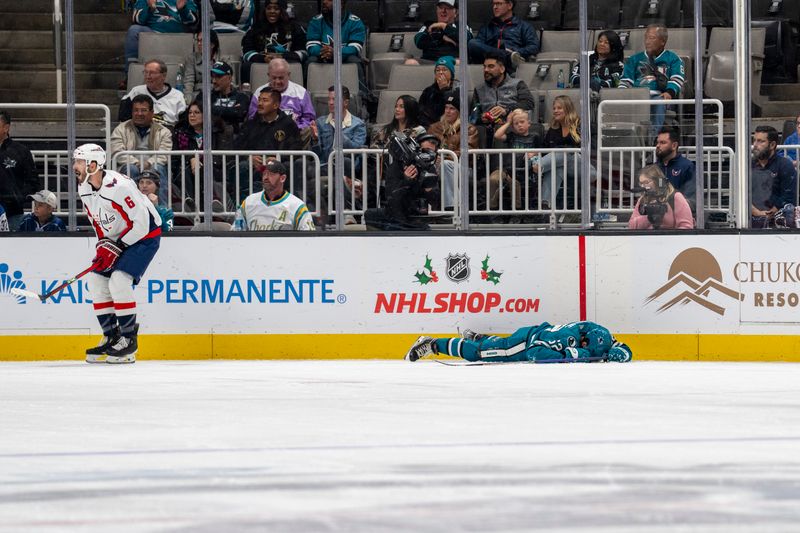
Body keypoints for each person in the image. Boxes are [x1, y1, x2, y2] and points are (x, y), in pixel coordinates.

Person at [73, 143, 163, 364]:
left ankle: (129, 341)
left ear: (93, 165)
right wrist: (103, 245)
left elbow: (141, 225)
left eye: (79, 162)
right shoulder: (84, 187)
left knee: (119, 281)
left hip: (145, 236)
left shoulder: (119, 187)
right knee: (96, 280)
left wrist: (118, 246)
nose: (75, 166)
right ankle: (111, 337)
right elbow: (96, 221)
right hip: (117, 239)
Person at [405, 321, 633, 363]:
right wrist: (575, 356)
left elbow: (617, 346)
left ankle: (480, 338)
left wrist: (623, 352)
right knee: (479, 353)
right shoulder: (568, 339)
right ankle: (433, 344)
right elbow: (536, 353)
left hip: (530, 333)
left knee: (495, 345)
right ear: (582, 342)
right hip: (524, 345)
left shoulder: (593, 331)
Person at [310, 85, 367, 216]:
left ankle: (347, 212)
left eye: (334, 99)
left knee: (344, 160)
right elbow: (318, 155)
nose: (330, 102)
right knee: (300, 165)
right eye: (329, 99)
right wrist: (314, 140)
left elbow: (357, 150)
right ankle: (306, 212)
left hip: (348, 166)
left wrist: (339, 133)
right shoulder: (321, 122)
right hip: (325, 165)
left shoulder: (358, 124)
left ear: (346, 102)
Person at [365, 134, 441, 230]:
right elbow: (392, 198)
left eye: (431, 153)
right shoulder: (396, 167)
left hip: (416, 218)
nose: (427, 156)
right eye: (424, 151)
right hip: (395, 217)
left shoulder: (430, 169)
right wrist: (407, 180)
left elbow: (435, 201)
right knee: (371, 215)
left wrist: (429, 190)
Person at [619, 25, 685, 137]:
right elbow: (625, 82)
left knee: (659, 102)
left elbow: (677, 79)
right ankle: (630, 137)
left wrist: (669, 92)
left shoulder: (673, 59)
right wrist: (621, 95)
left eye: (652, 38)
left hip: (659, 96)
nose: (647, 41)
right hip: (636, 96)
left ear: (662, 42)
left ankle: (653, 138)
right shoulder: (634, 59)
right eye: (646, 38)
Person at [110, 94, 173, 205]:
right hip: (130, 166)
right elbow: (118, 152)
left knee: (159, 168)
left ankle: (163, 212)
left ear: (152, 112)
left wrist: (149, 163)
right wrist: (137, 163)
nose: (139, 114)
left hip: (153, 166)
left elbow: (164, 154)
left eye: (143, 110)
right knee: (131, 169)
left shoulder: (164, 131)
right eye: (136, 110)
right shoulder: (120, 129)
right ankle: (132, 210)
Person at [234, 87, 302, 189]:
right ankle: (240, 202)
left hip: (279, 167)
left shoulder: (288, 124)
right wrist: (249, 158)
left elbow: (296, 149)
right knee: (242, 166)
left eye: (265, 100)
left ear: (276, 105)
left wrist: (278, 158)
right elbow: (237, 147)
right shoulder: (250, 124)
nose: (260, 103)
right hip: (253, 168)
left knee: (290, 166)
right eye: (259, 99)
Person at [532, 95, 592, 208]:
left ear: (567, 108)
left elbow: (584, 147)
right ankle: (545, 205)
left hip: (583, 167)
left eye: (559, 108)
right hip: (562, 165)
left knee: (564, 152)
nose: (555, 111)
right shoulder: (553, 128)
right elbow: (545, 149)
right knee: (556, 168)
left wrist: (543, 161)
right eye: (554, 108)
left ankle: (540, 165)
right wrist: (535, 152)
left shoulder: (579, 124)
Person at [124, 0, 199, 85]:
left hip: (177, 38)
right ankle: (129, 75)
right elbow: (137, 20)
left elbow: (194, 22)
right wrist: (150, 7)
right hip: (153, 36)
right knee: (134, 30)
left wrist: (183, 9)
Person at [246, 58, 316, 147]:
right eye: (274, 78)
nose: (277, 82)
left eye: (281, 78)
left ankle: (298, 159)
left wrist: (295, 127)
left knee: (308, 130)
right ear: (268, 75)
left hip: (295, 133)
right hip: (266, 132)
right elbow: (252, 118)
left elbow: (309, 118)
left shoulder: (301, 92)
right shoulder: (259, 93)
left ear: (288, 75)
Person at [231, 159, 316, 230]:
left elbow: (309, 238)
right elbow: (236, 232)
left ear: (282, 178)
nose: (266, 177)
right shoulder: (249, 202)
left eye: (271, 174)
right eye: (264, 174)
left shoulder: (297, 206)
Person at [428, 92, 478, 210]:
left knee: (446, 165)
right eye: (446, 108)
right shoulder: (434, 128)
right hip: (436, 165)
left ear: (459, 112)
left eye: (452, 108)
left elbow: (468, 153)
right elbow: (426, 148)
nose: (448, 111)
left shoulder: (469, 129)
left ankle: (452, 207)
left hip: (462, 168)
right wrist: (434, 158)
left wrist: (444, 157)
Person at [471, 52, 535, 143]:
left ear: (502, 69)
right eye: (484, 67)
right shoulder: (479, 89)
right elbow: (473, 116)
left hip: (511, 129)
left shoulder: (517, 84)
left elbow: (529, 103)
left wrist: (506, 110)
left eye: (491, 66)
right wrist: (481, 118)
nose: (486, 70)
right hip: (487, 131)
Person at [305, 0, 366, 92]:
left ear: (340, 4)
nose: (324, 1)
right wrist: (325, 52)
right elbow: (312, 46)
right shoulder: (316, 21)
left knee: (354, 61)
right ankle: (305, 96)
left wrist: (335, 53)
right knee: (311, 61)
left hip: (344, 58)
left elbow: (354, 48)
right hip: (322, 57)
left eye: (329, 0)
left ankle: (363, 98)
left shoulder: (355, 22)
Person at [241, 0, 307, 84]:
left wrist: (282, 56)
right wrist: (263, 58)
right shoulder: (256, 28)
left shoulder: (294, 28)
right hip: (262, 62)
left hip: (286, 62)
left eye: (276, 9)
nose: (272, 11)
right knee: (246, 66)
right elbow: (247, 52)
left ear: (282, 10)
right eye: (269, 8)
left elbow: (303, 53)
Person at [491, 108, 541, 210]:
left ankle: (516, 211)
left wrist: (534, 153)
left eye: (522, 122)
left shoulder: (535, 136)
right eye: (516, 123)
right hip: (507, 169)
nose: (519, 125)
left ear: (529, 123)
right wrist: (508, 123)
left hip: (524, 170)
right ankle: (492, 209)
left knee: (514, 182)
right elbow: (497, 135)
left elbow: (544, 151)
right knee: (493, 179)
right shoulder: (511, 136)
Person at [750, 125, 798, 229]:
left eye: (760, 141)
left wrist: (769, 213)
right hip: (750, 217)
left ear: (772, 145)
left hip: (778, 219)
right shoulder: (747, 165)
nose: (755, 145)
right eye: (754, 140)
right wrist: (755, 212)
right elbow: (740, 193)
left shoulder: (785, 165)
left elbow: (788, 196)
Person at [467, 0, 539, 67]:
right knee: (472, 43)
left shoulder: (524, 26)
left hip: (511, 64)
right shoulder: (487, 27)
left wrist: (516, 51)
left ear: (510, 5)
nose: (495, 7)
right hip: (490, 63)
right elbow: (477, 46)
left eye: (498, 4)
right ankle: (507, 55)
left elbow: (533, 47)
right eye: (494, 4)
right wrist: (503, 53)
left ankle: (508, 56)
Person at [119, 60, 188, 128]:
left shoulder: (177, 95)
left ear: (163, 76)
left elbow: (183, 124)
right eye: (146, 72)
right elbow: (123, 118)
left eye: (152, 73)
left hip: (168, 132)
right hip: (140, 131)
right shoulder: (136, 92)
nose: (148, 76)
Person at [0, 111, 38, 230]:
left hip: (13, 214)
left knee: (11, 248)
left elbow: (34, 183)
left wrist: (16, 197)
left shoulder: (21, 151)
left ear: (6, 127)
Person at [628, 164, 693, 230]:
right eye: (641, 183)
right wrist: (648, 218)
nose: (643, 186)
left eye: (646, 182)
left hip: (670, 238)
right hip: (648, 238)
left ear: (657, 181)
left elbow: (687, 227)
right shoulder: (643, 199)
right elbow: (631, 226)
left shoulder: (675, 197)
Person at [654, 126, 696, 214]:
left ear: (674, 145)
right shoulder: (654, 168)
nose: (658, 146)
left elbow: (692, 200)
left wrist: (671, 206)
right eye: (657, 142)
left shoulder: (687, 167)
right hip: (656, 219)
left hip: (679, 217)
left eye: (663, 142)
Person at [418, 56, 459, 128]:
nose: (441, 72)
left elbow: (448, 111)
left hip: (450, 127)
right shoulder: (428, 91)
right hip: (428, 127)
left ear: (451, 73)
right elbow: (421, 113)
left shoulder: (458, 89)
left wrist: (444, 90)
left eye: (444, 70)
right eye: (438, 70)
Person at [182, 29, 220, 103]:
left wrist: (200, 86)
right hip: (197, 96)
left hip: (218, 95)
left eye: (202, 41)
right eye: (198, 40)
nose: (199, 44)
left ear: (212, 44)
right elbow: (189, 82)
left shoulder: (223, 59)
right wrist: (188, 102)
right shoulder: (192, 58)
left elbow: (228, 84)